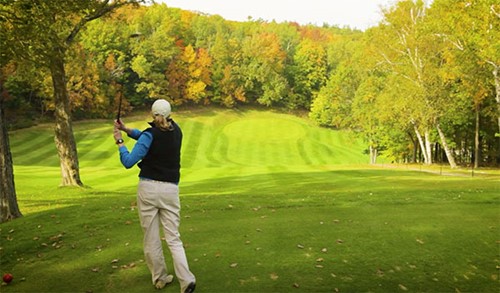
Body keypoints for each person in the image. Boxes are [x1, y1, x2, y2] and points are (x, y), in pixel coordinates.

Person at [113, 99, 196, 293]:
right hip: (170, 190)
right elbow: (146, 137)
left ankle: (159, 278)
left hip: (149, 189)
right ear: (169, 114)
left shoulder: (149, 136)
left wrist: (119, 141)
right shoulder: (177, 132)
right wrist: (126, 129)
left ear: (152, 114)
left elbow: (128, 161)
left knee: (151, 236)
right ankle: (186, 281)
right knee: (174, 238)